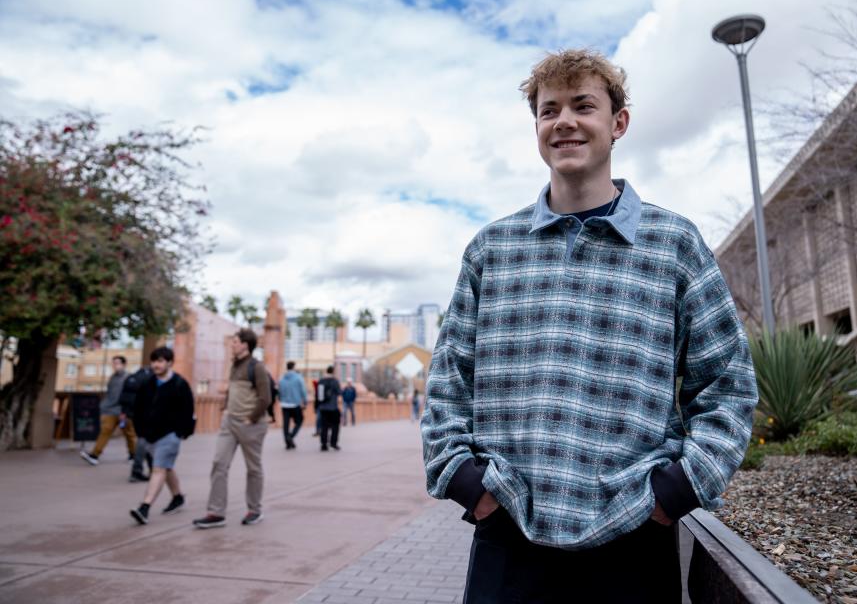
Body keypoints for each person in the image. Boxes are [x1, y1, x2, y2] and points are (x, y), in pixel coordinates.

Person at [420, 49, 759, 603]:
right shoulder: (492, 249)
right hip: (509, 533)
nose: (565, 121)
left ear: (618, 122)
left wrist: (675, 491)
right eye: (549, 110)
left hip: (634, 537)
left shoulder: (674, 245)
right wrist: (465, 481)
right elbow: (449, 377)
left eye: (584, 105)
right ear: (537, 129)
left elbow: (727, 384)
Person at [193, 329, 271, 528]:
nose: (232, 345)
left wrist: (250, 419)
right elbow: (232, 389)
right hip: (230, 423)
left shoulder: (257, 367)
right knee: (219, 463)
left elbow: (265, 398)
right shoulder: (234, 365)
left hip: (251, 425)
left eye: (235, 342)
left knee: (253, 468)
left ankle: (254, 510)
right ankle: (216, 512)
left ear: (245, 345)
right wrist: (226, 409)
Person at [129, 347, 195, 525]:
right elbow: (138, 408)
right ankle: (177, 497)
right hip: (149, 435)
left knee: (158, 469)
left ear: (169, 363)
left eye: (160, 361)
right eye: (154, 361)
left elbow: (188, 410)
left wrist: (181, 432)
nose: (156, 365)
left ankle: (144, 507)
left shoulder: (180, 384)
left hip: (170, 435)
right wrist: (140, 430)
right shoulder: (147, 383)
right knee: (165, 467)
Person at [80, 356, 136, 467]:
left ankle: (134, 455)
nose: (115, 365)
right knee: (105, 431)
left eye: (117, 363)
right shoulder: (113, 378)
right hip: (110, 410)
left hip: (123, 411)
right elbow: (110, 394)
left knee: (129, 434)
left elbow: (129, 396)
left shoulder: (129, 378)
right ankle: (94, 455)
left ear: (124, 364)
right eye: (114, 363)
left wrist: (125, 411)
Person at [278, 361, 308, 449]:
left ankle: (287, 442)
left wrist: (281, 399)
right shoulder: (298, 377)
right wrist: (305, 402)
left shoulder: (282, 378)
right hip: (295, 404)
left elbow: (279, 391)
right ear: (294, 367)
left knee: (286, 424)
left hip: (284, 404)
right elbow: (303, 390)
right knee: (299, 421)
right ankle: (290, 436)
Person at [315, 365, 341, 451]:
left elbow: (317, 394)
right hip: (333, 407)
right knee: (335, 426)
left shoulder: (321, 381)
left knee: (324, 426)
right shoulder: (335, 381)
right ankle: (333, 443)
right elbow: (339, 392)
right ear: (333, 371)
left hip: (323, 408)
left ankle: (324, 444)